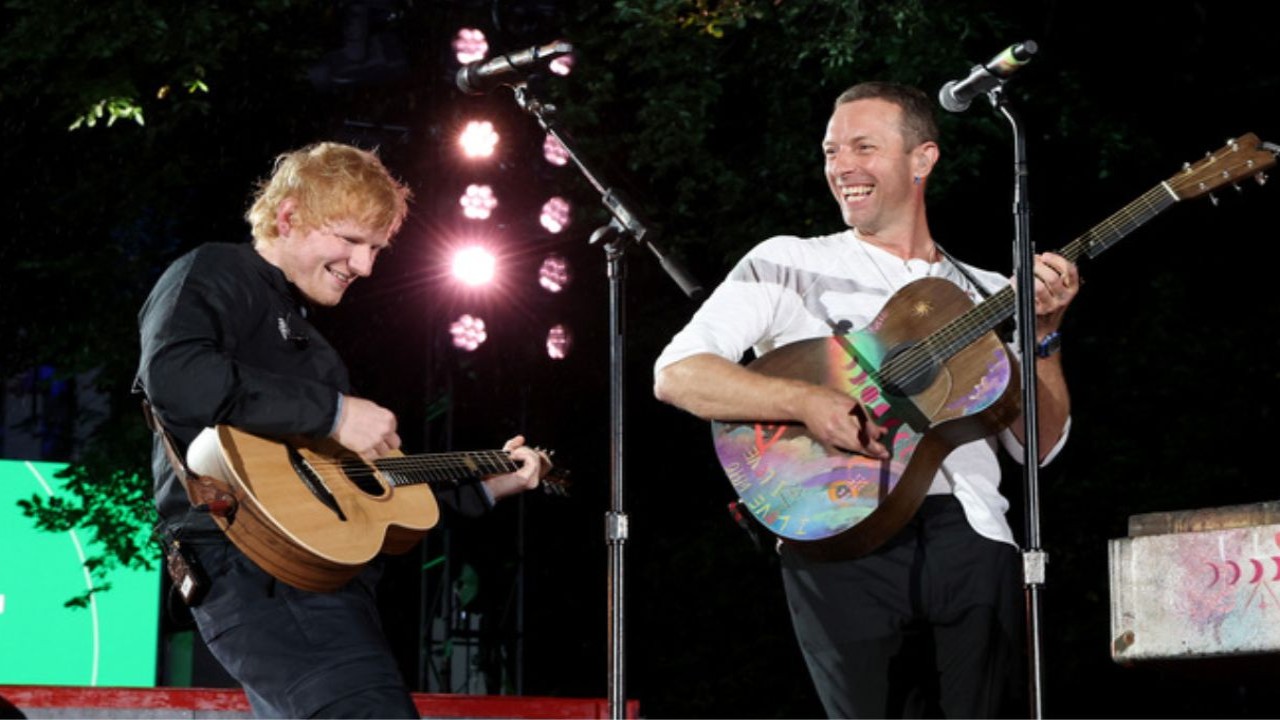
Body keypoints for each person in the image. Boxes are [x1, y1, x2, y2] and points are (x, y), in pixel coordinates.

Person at [653, 81, 1079, 718]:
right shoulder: (789, 262)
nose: (841, 166)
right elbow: (678, 374)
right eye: (831, 151)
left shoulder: (986, 290)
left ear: (922, 159)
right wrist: (804, 401)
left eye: (862, 147)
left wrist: (1044, 339)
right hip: (837, 533)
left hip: (973, 538)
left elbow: (1037, 448)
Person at [135, 141, 549, 718]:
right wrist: (333, 413)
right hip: (256, 571)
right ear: (288, 217)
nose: (366, 266)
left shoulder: (317, 351)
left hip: (318, 586)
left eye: (376, 249)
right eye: (351, 241)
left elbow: (361, 495)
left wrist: (482, 487)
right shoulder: (215, 271)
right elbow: (174, 376)